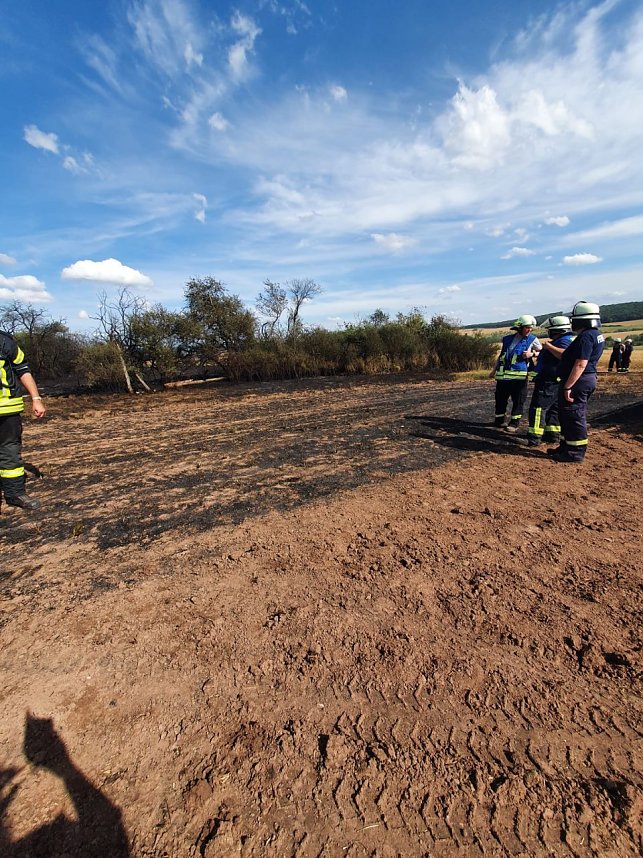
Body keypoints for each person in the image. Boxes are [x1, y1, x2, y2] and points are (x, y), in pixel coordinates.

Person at [547, 301, 605, 463]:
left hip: (579, 380)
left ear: (581, 319)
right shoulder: (595, 335)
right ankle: (566, 446)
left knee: (574, 415)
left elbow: (580, 363)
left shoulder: (586, 337)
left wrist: (568, 386)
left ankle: (574, 452)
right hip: (585, 378)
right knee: (566, 415)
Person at [0, 330, 46, 509]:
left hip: (8, 410)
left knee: (10, 451)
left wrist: (36, 398)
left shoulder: (5, 341)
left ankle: (15, 493)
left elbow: (22, 369)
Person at [526, 316, 574, 447]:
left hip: (549, 381)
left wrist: (549, 347)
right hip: (555, 381)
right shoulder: (565, 340)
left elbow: (564, 355)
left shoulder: (563, 341)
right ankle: (552, 435)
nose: (549, 332)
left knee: (538, 409)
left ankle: (534, 437)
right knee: (554, 409)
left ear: (557, 330)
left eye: (550, 330)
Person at [489, 314, 541, 433]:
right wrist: (493, 370)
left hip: (519, 378)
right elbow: (502, 356)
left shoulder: (533, 339)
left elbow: (541, 352)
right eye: (527, 327)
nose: (530, 330)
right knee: (500, 399)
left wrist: (531, 354)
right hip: (503, 377)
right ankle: (499, 420)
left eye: (531, 328)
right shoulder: (507, 339)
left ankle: (514, 423)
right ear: (519, 327)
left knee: (518, 401)